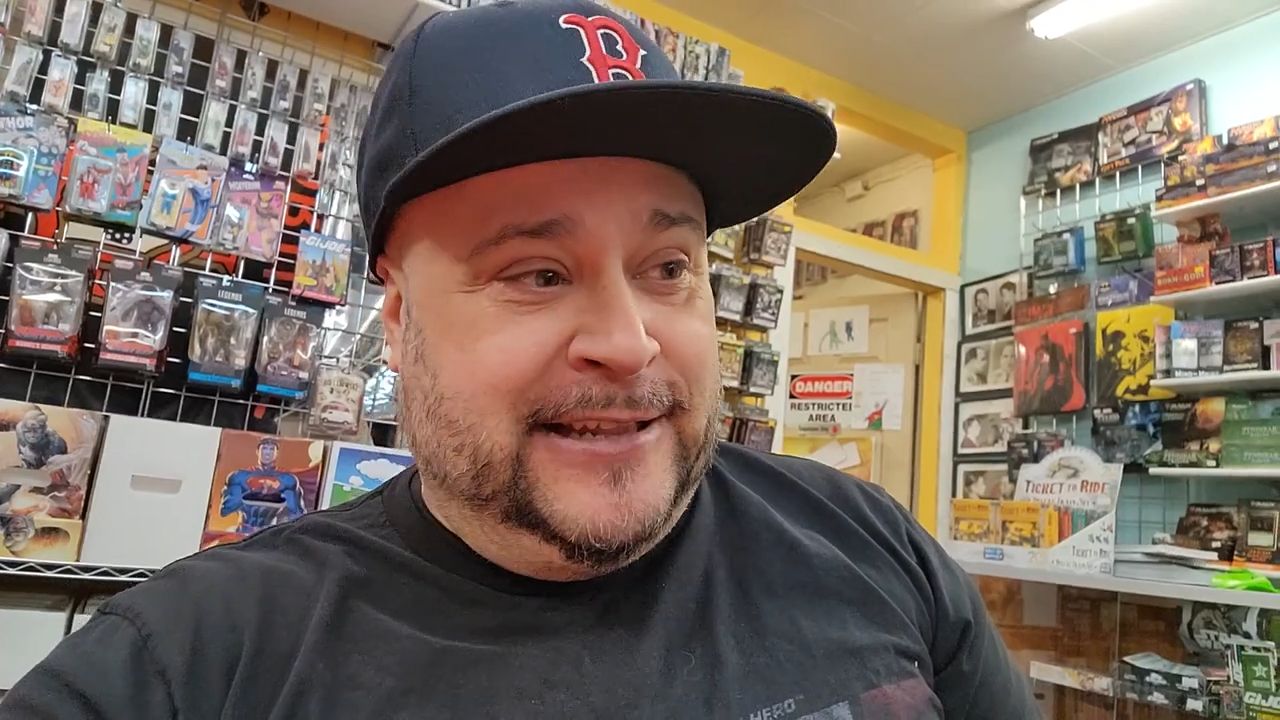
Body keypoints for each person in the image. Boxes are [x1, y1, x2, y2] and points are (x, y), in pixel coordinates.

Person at [0, 2, 1034, 718]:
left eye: (668, 266)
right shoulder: (193, 668)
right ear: (398, 323)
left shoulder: (867, 545)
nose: (628, 341)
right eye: (537, 272)